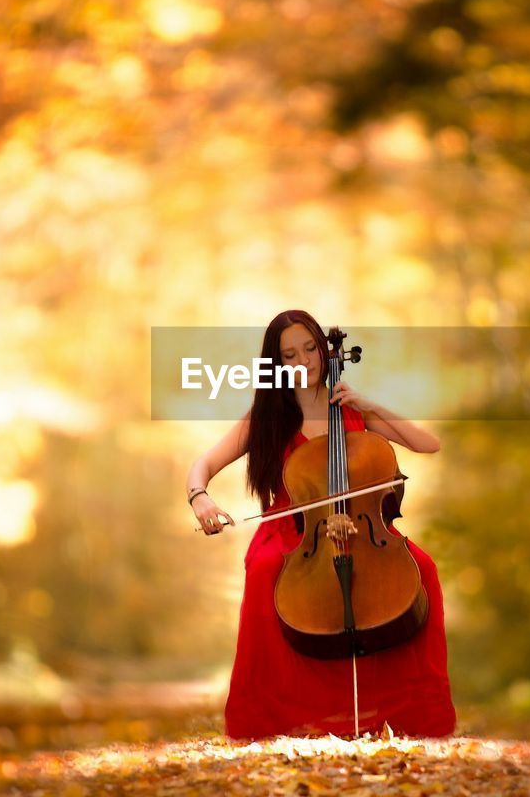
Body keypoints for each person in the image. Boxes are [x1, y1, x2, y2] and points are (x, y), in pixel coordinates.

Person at [185, 309, 457, 740]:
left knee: (423, 569)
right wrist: (199, 497)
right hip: (294, 529)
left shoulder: (349, 410)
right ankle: (275, 719)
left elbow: (429, 444)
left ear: (323, 349)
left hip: (360, 525)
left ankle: (411, 715)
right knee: (265, 575)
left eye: (310, 348)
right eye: (290, 354)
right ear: (277, 364)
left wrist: (369, 404)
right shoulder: (267, 417)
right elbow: (203, 465)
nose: (304, 361)